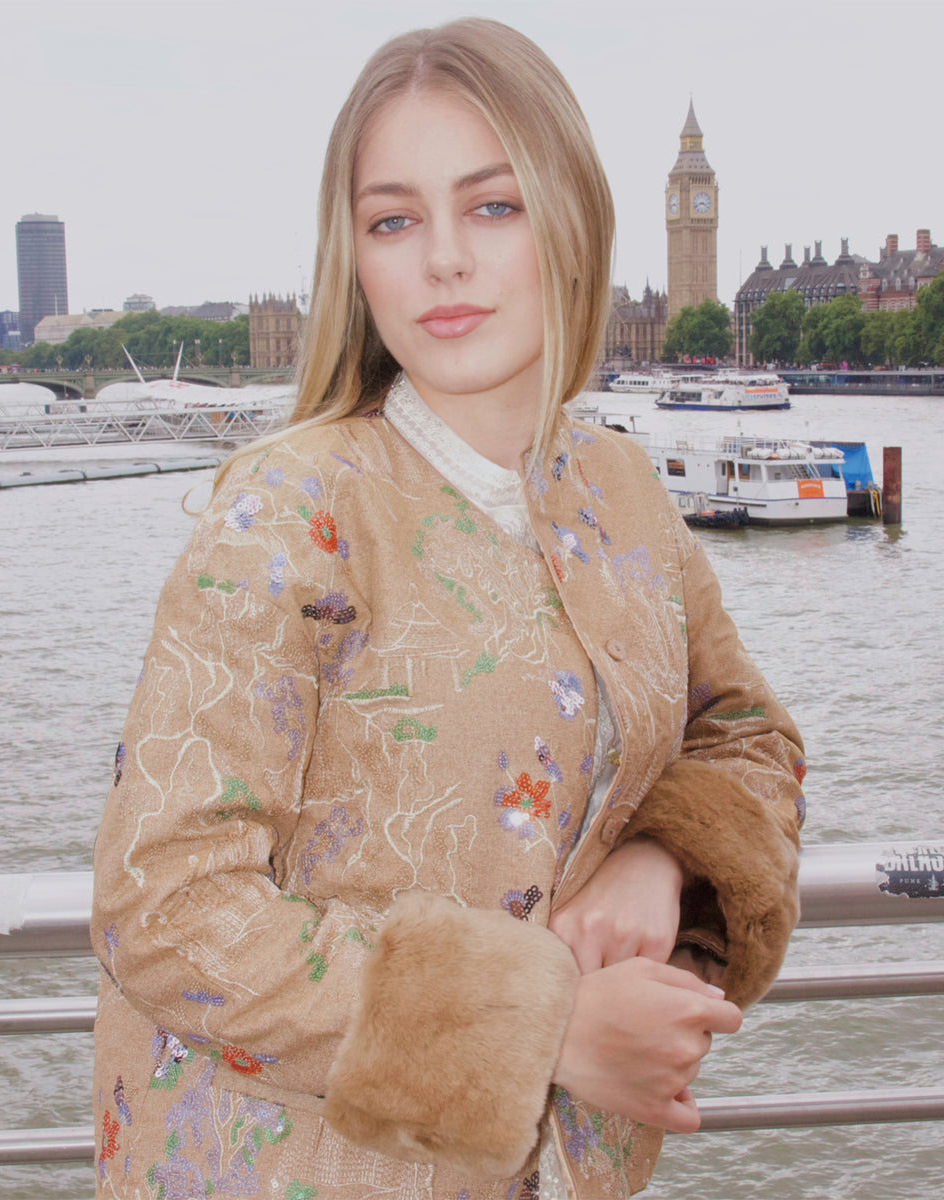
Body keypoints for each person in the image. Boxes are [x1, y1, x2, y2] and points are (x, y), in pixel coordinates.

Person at [90, 17, 806, 1200]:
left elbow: (751, 738)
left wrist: (663, 852)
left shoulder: (623, 489)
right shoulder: (293, 505)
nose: (443, 262)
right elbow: (163, 908)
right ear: (354, 256)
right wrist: (547, 1030)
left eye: (492, 206)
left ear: (569, 221)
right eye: (393, 220)